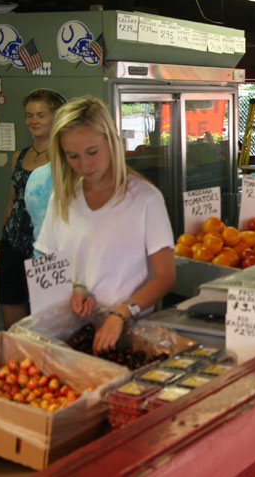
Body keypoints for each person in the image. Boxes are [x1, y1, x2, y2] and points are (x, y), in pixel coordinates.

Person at [35, 96, 175, 353]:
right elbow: (49, 265)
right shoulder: (62, 199)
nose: (84, 165)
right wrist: (74, 288)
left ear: (112, 143)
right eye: (73, 156)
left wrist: (122, 312)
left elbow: (165, 276)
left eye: (92, 152)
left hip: (129, 334)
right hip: (72, 333)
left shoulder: (146, 199)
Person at [0, 89, 65, 330]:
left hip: (47, 246)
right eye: (29, 115)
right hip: (13, 244)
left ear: (56, 117)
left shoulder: (64, 158)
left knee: (47, 316)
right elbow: (12, 201)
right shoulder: (19, 156)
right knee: (11, 309)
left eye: (41, 115)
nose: (33, 121)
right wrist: (1, 243)